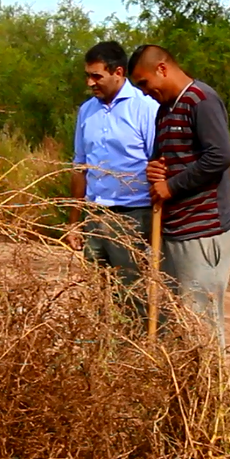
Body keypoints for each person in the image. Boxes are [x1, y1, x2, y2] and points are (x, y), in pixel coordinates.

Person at [127, 44, 230, 349]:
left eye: (145, 83)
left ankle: (211, 395)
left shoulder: (202, 100)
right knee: (178, 322)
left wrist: (171, 186)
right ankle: (183, 395)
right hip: (174, 229)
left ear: (162, 69)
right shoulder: (165, 109)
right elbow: (165, 159)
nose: (145, 93)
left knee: (201, 323)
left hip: (203, 230)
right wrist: (155, 171)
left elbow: (219, 156)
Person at [68, 41, 160, 286]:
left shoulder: (147, 108)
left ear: (118, 72)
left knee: (133, 295)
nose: (90, 83)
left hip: (133, 218)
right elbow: (80, 168)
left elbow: (159, 166)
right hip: (94, 217)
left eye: (96, 76)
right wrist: (75, 223)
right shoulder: (86, 111)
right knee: (97, 296)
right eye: (87, 76)